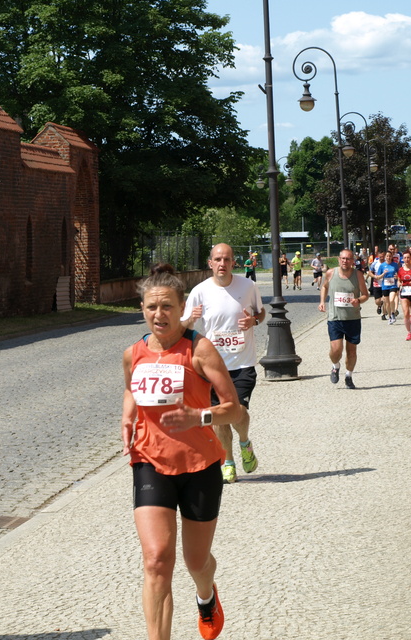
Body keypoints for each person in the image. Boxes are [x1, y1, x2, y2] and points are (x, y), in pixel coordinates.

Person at [122, 263, 244, 640]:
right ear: (142, 308)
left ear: (181, 307)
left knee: (195, 561)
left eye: (167, 307)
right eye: (151, 307)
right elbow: (131, 389)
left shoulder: (198, 349)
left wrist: (199, 416)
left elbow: (234, 408)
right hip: (150, 461)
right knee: (157, 560)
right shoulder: (132, 354)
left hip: (200, 466)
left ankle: (206, 597)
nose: (159, 315)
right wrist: (127, 419)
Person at [182, 243, 264, 484]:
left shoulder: (248, 287)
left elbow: (261, 313)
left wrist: (254, 322)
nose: (222, 264)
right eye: (217, 259)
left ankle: (245, 442)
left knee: (238, 412)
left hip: (242, 363)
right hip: (212, 368)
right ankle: (228, 462)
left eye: (226, 259)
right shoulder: (199, 291)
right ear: (210, 263)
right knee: (219, 416)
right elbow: (183, 327)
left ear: (233, 263)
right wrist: (190, 319)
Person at [319, 249, 369, 389]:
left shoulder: (358, 275)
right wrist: (322, 301)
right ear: (338, 259)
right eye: (342, 258)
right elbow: (324, 286)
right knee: (336, 350)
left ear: (353, 261)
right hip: (335, 318)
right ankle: (335, 366)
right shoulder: (330, 273)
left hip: (353, 318)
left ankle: (348, 376)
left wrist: (358, 300)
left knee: (351, 351)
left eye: (348, 259)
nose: (345, 261)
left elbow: (366, 294)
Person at [372, 251, 400, 323]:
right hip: (385, 286)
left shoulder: (395, 265)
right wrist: (383, 273)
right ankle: (390, 316)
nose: (388, 257)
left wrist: (398, 277)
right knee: (387, 303)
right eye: (387, 256)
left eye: (390, 256)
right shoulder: (382, 265)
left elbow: (399, 274)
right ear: (385, 257)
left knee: (391, 300)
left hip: (393, 285)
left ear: (392, 257)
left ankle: (393, 313)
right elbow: (378, 277)